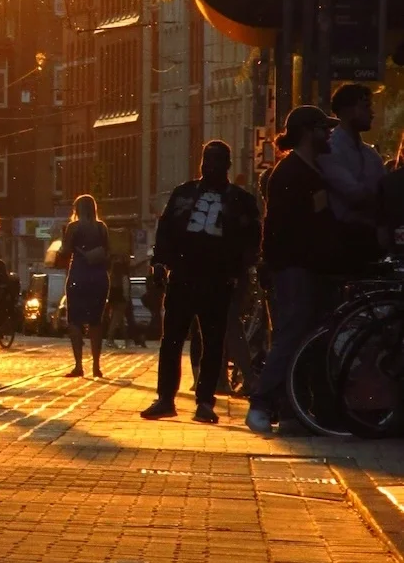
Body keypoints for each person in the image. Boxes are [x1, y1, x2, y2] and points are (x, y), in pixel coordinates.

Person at [140, 141, 261, 424]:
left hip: (218, 279)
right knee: (172, 339)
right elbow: (166, 228)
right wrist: (159, 261)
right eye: (208, 160)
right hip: (183, 275)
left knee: (213, 340)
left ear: (227, 165)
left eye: (218, 161)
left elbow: (251, 238)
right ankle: (166, 397)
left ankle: (205, 400)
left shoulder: (239, 201)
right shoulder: (184, 194)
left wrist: (239, 270)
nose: (211, 166)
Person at [246, 106, 341, 435]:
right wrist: (274, 263)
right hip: (294, 268)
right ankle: (260, 403)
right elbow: (276, 227)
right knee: (290, 334)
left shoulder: (309, 171)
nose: (328, 134)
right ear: (305, 132)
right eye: (322, 128)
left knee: (302, 337)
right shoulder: (291, 174)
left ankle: (291, 409)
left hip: (306, 267)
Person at [319, 83, 385, 270]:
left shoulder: (371, 155)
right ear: (347, 111)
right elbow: (354, 194)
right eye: (365, 107)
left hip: (370, 240)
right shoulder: (330, 149)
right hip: (344, 242)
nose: (371, 113)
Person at [57, 194, 109, 378]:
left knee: (75, 320)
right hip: (99, 278)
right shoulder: (101, 228)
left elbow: (65, 251)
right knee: (96, 321)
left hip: (78, 276)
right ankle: (96, 365)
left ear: (77, 209)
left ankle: (79, 365)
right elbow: (108, 251)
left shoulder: (73, 227)